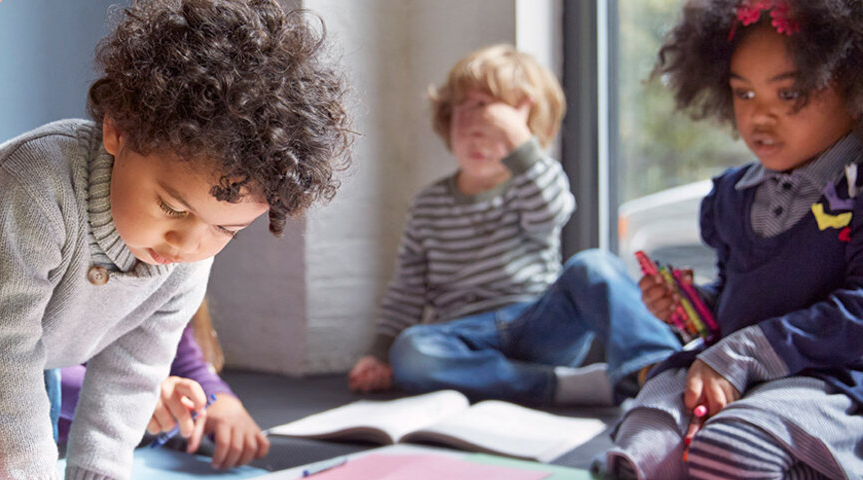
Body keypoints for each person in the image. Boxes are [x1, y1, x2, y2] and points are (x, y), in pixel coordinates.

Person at [0, 0, 351, 477]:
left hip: (21, 347)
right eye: (172, 207)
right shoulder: (36, 186)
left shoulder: (190, 253)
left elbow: (134, 370)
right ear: (117, 130)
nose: (186, 243)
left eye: (226, 230)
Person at [597, 0, 863, 478]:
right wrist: (693, 306)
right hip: (732, 374)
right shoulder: (733, 196)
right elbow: (743, 300)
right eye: (744, 95)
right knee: (644, 436)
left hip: (829, 381)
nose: (760, 116)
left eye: (789, 94)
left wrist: (744, 353)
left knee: (732, 449)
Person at [347, 44, 680, 407]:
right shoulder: (428, 204)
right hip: (466, 337)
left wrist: (517, 139)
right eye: (466, 116)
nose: (478, 133)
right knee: (411, 351)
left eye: (493, 126)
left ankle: (662, 367)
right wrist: (380, 353)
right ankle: (559, 387)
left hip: (536, 323)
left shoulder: (533, 184)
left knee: (595, 266)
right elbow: (407, 287)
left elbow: (552, 211)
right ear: (446, 119)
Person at [56, 323, 270, 470]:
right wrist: (127, 393)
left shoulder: (173, 273)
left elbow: (180, 355)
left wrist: (220, 398)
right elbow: (29, 366)